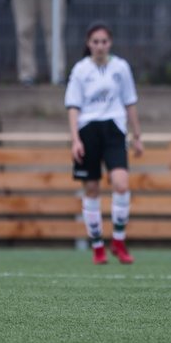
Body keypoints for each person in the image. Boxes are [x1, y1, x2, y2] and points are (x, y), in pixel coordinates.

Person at [66, 22, 142, 265]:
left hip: (114, 129)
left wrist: (137, 136)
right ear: (89, 44)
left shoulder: (120, 67)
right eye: (95, 42)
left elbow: (130, 102)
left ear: (110, 43)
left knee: (121, 184)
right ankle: (97, 245)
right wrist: (75, 139)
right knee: (91, 189)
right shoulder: (80, 70)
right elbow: (73, 106)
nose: (100, 46)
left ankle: (118, 241)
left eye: (104, 42)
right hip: (88, 130)